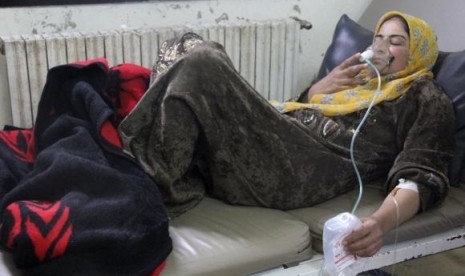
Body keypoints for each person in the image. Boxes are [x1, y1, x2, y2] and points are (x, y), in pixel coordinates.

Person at [118, 11, 455, 258]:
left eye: (395, 42)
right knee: (183, 45)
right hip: (281, 140)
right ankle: (165, 166)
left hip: (303, 170)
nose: (381, 48)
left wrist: (379, 224)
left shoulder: (424, 95)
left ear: (419, 53)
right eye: (378, 39)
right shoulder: (358, 83)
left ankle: (152, 183)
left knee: (204, 61)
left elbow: (420, 177)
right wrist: (317, 92)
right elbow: (294, 113)